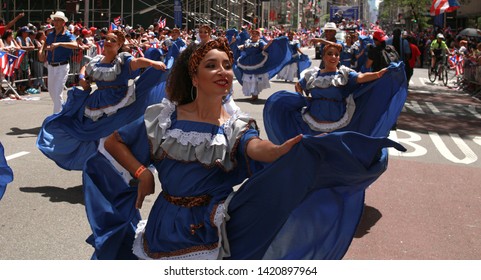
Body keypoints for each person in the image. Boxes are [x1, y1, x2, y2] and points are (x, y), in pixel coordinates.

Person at [82, 38, 405, 260]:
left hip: (210, 224)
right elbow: (115, 141)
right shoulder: (165, 118)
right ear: (193, 76)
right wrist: (142, 173)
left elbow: (255, 148)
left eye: (227, 65)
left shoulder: (235, 125)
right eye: (212, 66)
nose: (223, 72)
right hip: (164, 221)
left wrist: (279, 151)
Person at [36, 30, 168, 171]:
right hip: (97, 103)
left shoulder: (122, 60)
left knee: (114, 135)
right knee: (94, 134)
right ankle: (100, 169)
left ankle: (118, 169)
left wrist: (153, 63)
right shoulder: (97, 60)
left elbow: (137, 62)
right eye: (107, 39)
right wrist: (81, 79)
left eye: (113, 41)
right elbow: (85, 68)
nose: (108, 42)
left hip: (119, 102)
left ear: (120, 45)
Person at [263, 42, 408, 145]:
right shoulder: (312, 75)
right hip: (313, 118)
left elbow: (361, 77)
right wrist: (302, 99)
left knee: (333, 151)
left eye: (336, 54)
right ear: (324, 57)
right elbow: (298, 86)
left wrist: (378, 74)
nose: (333, 57)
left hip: (338, 119)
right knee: (313, 149)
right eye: (330, 54)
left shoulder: (344, 74)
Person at [232, 29, 290, 101]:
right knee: (248, 77)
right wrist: (234, 44)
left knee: (255, 77)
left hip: (257, 61)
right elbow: (242, 47)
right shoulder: (247, 42)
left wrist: (269, 44)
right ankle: (253, 93)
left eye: (256, 34)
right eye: (253, 34)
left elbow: (264, 48)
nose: (254, 35)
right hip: (247, 61)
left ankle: (255, 93)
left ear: (258, 36)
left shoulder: (260, 42)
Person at [38, 11, 77, 114]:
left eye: (58, 20)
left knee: (57, 92)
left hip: (62, 66)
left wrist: (59, 44)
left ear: (63, 22)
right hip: (51, 66)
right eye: (55, 20)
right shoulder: (51, 34)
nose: (56, 22)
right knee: (52, 91)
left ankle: (57, 117)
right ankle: (63, 110)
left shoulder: (68, 35)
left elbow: (75, 45)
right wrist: (41, 51)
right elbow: (45, 43)